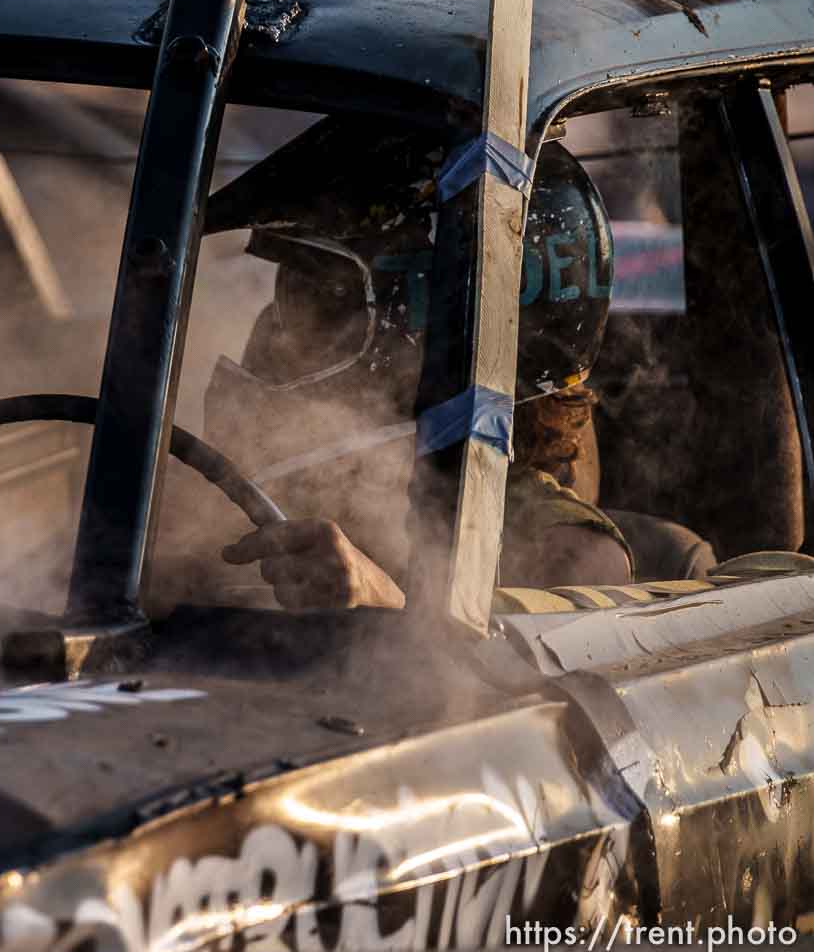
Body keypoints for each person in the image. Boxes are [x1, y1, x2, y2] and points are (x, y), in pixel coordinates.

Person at [197, 126, 637, 610]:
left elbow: (503, 681)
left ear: (434, 314)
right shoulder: (307, 480)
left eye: (316, 296)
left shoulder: (571, 556)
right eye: (288, 291)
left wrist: (378, 600)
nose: (273, 329)